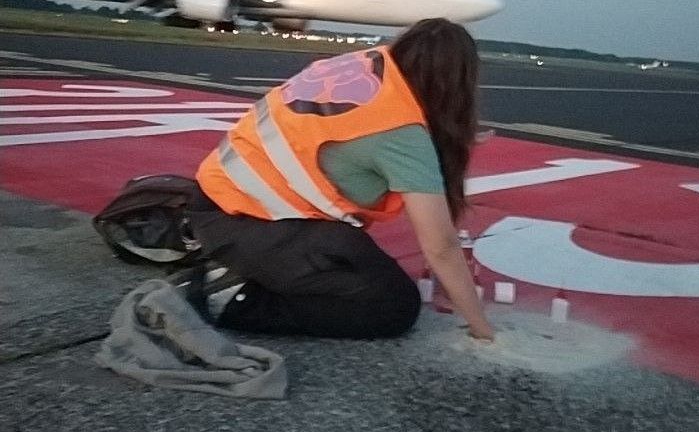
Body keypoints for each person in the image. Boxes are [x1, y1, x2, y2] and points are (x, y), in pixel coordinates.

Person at [185, 18, 495, 342]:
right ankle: (233, 297)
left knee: (356, 260)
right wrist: (483, 330)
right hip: (245, 221)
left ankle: (243, 266)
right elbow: (441, 246)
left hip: (224, 198)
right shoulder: (400, 134)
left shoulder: (371, 66)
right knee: (392, 306)